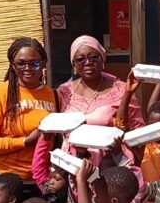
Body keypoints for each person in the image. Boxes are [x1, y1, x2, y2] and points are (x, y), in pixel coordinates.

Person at [32, 35, 145, 185]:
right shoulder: (64, 91)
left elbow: (138, 131)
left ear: (103, 59)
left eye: (93, 57)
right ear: (74, 64)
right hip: (72, 166)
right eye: (81, 59)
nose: (88, 63)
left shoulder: (122, 89)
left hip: (111, 166)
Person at [0, 37, 56, 202]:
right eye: (21, 64)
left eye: (34, 63)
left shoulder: (53, 94)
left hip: (38, 182)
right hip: (2, 183)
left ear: (44, 64)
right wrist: (26, 141)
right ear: (13, 65)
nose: (28, 69)